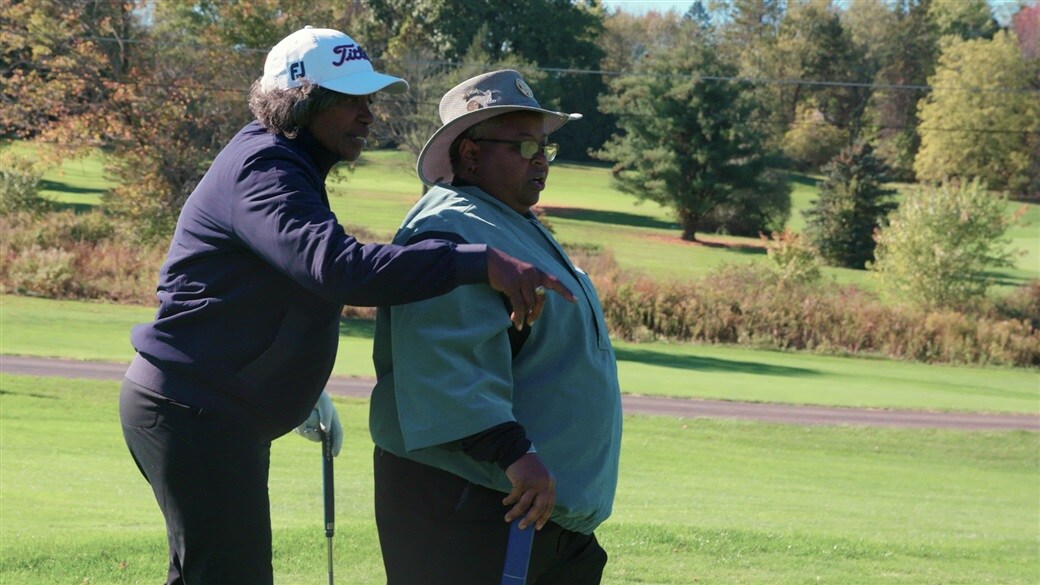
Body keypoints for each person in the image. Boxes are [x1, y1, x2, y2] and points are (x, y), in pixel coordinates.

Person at [119, 29, 570, 585]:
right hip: (195, 410)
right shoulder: (265, 166)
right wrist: (478, 263)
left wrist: (302, 389)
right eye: (350, 99)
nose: (368, 114)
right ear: (300, 100)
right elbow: (338, 268)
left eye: (370, 99)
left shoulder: (285, 163)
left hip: (214, 409)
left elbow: (283, 283)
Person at [369, 69, 623, 585]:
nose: (539, 160)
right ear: (470, 155)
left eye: (544, 147)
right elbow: (443, 365)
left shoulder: (507, 221)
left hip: (532, 509)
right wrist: (517, 454)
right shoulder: (448, 229)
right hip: (476, 504)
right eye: (523, 145)